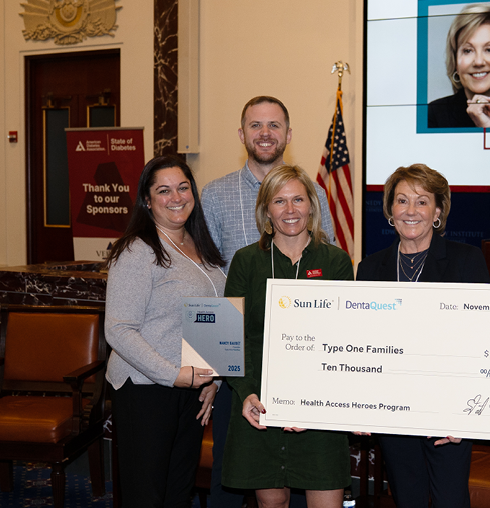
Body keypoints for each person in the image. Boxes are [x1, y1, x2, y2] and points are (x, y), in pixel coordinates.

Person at [201, 95, 335, 507]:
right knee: (232, 474)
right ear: (242, 134)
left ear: (288, 135)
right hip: (239, 364)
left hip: (308, 369)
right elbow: (205, 280)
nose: (265, 133)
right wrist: (210, 368)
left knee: (302, 481)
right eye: (256, 125)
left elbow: (327, 263)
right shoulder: (213, 194)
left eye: (274, 125)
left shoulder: (316, 194)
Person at [356, 164, 489, 508]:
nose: (411, 211)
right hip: (393, 410)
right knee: (407, 499)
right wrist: (358, 404)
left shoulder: (466, 261)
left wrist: (465, 413)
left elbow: (481, 341)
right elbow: (362, 344)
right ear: (389, 211)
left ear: (438, 211)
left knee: (450, 501)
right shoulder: (370, 269)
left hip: (449, 414)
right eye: (401, 201)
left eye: (422, 201)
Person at [222, 164, 352, 508]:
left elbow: (343, 341)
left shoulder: (336, 262)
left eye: (298, 199)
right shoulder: (246, 261)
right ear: (266, 210)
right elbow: (231, 339)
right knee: (272, 503)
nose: (290, 210)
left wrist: (310, 402)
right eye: (279, 201)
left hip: (321, 412)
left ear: (312, 205)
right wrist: (247, 393)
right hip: (259, 407)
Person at [105, 154, 225, 507]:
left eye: (183, 187)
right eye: (164, 190)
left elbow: (215, 314)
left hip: (191, 390)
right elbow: (118, 329)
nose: (176, 197)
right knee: (147, 495)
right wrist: (174, 375)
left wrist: (213, 379)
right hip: (146, 390)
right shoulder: (136, 250)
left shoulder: (200, 243)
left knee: (177, 491)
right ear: (147, 200)